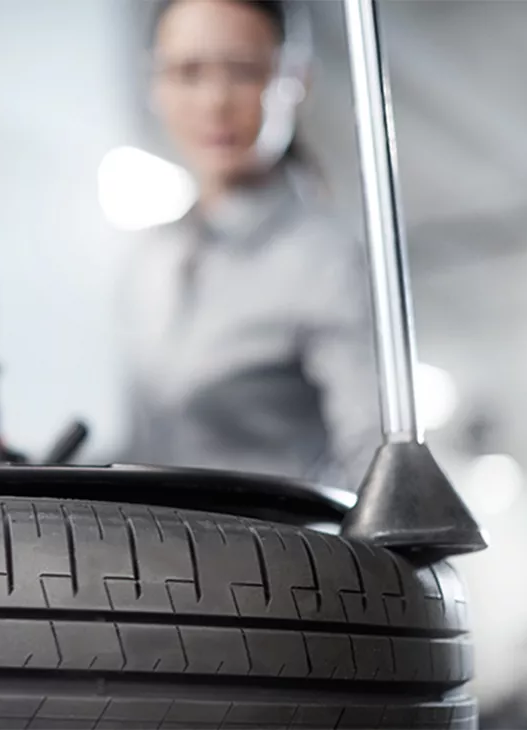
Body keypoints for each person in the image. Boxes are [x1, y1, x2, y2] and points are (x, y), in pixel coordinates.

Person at [116, 0, 379, 489]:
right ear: (156, 85)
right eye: (188, 72)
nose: (215, 100)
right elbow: (144, 448)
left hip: (279, 556)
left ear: (296, 80)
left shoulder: (328, 257)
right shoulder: (151, 260)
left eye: (243, 71)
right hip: (158, 555)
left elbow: (371, 457)